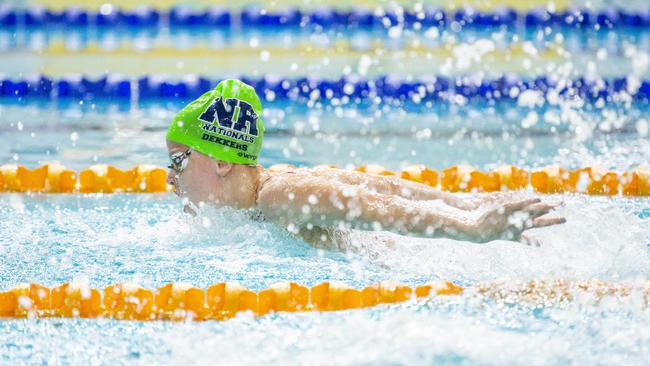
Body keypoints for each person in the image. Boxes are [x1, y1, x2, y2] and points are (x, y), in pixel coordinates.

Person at [166, 79, 565, 249]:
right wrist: (461, 203)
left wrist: (472, 227)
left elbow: (377, 208)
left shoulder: (279, 196)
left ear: (221, 163)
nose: (170, 177)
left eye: (179, 161)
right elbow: (377, 187)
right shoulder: (274, 184)